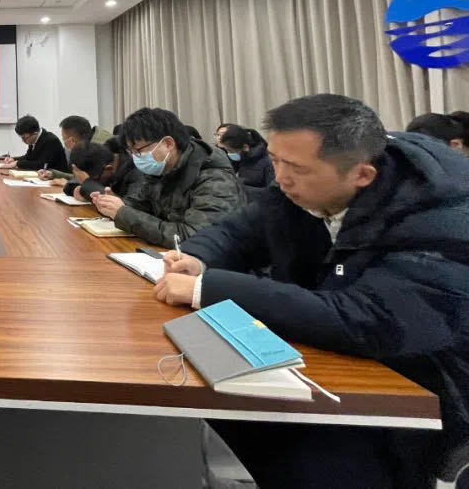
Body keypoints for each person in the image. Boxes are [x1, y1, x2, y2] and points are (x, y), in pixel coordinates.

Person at [155, 94, 469, 489]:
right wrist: (197, 259)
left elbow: (363, 319)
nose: (280, 178)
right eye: (275, 160)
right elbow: (238, 232)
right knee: (216, 401)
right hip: (327, 358)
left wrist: (210, 287)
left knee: (303, 453)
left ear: (362, 175)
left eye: (296, 168)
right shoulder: (301, 187)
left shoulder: (440, 217)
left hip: (420, 387)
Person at [90, 107, 245, 246]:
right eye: (132, 152)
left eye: (139, 150)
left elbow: (194, 237)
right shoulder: (161, 168)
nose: (136, 157)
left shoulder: (213, 176)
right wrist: (114, 204)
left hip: (214, 262)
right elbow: (142, 206)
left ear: (168, 144)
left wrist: (124, 214)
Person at [38, 116, 114, 180]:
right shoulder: (90, 142)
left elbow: (91, 181)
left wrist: (68, 184)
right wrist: (53, 174)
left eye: (64, 139)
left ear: (73, 141)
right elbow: (81, 176)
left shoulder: (101, 150)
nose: (65, 144)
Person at [217, 124, 275, 195]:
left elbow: (274, 193)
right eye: (227, 150)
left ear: (245, 147)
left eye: (230, 151)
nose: (229, 154)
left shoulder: (268, 161)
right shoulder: (243, 157)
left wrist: (240, 188)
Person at [0, 115, 68, 172]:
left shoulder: (51, 140)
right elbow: (28, 157)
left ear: (35, 133)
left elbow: (42, 165)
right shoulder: (35, 139)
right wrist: (14, 159)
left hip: (57, 178)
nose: (23, 140)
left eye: (24, 138)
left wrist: (18, 163)